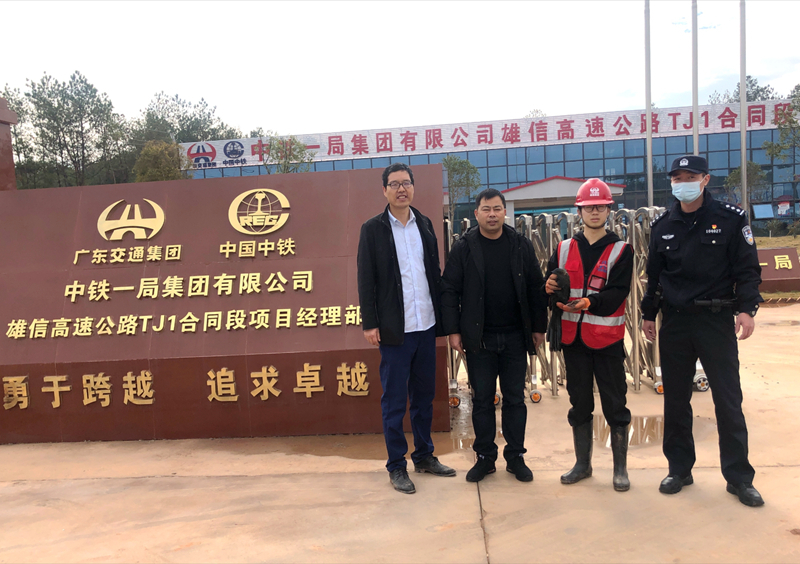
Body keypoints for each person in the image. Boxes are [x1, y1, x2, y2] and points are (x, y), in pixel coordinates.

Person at [642, 155, 764, 507]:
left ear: (705, 179)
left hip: (715, 319)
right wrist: (649, 314)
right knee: (676, 399)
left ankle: (739, 478)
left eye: (690, 177)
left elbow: (748, 269)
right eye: (677, 178)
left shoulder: (730, 219)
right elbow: (654, 276)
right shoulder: (663, 225)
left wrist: (747, 309)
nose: (683, 183)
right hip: (675, 322)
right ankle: (679, 469)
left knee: (727, 399)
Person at [357, 162, 456, 494]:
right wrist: (370, 323)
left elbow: (434, 273)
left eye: (406, 183)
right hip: (395, 330)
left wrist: (444, 318)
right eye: (394, 184)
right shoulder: (373, 229)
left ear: (413, 187)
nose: (401, 189)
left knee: (424, 398)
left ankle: (424, 456)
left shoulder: (424, 224)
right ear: (384, 190)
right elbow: (366, 279)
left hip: (425, 324)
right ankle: (396, 465)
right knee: (395, 401)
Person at [441, 189, 547, 483]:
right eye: (486, 209)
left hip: (515, 336)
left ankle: (516, 457)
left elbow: (536, 287)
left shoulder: (520, 245)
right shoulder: (464, 247)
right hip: (480, 339)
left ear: (504, 212)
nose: (492, 214)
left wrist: (538, 327)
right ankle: (485, 458)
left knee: (515, 400)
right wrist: (453, 330)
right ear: (476, 214)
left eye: (497, 209)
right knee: (482, 401)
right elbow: (449, 290)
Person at [544, 178, 634, 492]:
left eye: (600, 207)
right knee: (579, 402)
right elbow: (551, 286)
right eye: (588, 207)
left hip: (607, 340)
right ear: (579, 211)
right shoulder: (563, 248)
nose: (594, 212)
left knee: (615, 403)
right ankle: (582, 464)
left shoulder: (621, 250)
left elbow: (618, 292)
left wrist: (589, 302)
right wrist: (548, 288)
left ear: (609, 210)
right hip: (574, 341)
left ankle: (620, 469)